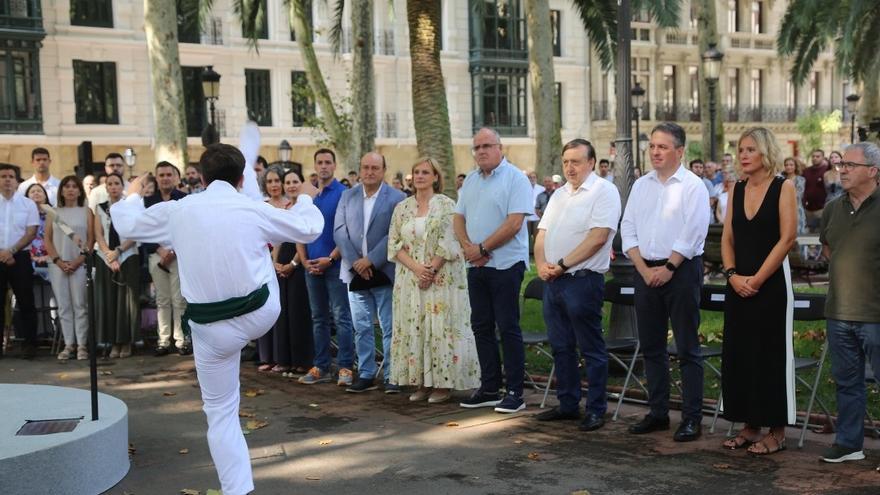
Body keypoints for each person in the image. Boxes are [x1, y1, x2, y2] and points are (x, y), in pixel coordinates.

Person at [111, 135, 323, 495]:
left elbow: (129, 226)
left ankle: (237, 489)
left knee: (221, 412)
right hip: (260, 313)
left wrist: (132, 192)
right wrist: (305, 196)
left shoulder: (179, 210)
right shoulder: (251, 209)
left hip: (209, 328)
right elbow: (309, 228)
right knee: (262, 255)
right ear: (241, 179)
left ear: (202, 178)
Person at [621, 122, 710, 442]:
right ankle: (657, 412)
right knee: (651, 346)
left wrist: (669, 268)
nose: (655, 152)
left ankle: (691, 418)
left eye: (662, 147)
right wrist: (644, 269)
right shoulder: (641, 185)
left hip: (681, 272)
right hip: (645, 272)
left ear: (680, 151)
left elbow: (694, 231)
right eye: (652, 146)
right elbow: (628, 228)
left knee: (687, 347)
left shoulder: (693, 186)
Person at [533, 139, 621, 432]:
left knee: (591, 348)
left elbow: (597, 238)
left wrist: (561, 265)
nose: (570, 167)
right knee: (561, 347)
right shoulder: (558, 195)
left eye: (577, 161)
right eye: (566, 162)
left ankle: (596, 409)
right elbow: (542, 233)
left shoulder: (604, 191)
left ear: (592, 163)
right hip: (553, 281)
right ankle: (568, 404)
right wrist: (541, 265)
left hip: (582, 281)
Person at [719, 127, 797, 455]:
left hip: (771, 286)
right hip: (738, 285)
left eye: (750, 149)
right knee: (740, 355)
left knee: (769, 355)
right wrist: (733, 275)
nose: (743, 155)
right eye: (740, 149)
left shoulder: (784, 187)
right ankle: (749, 426)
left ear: (765, 152)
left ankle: (776, 431)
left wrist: (758, 279)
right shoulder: (736, 188)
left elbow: (788, 238)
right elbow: (727, 238)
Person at [388, 157, 480, 402]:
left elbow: (450, 241)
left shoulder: (446, 205)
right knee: (415, 327)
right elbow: (394, 244)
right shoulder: (402, 207)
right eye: (416, 172)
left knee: (440, 329)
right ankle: (421, 383)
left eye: (425, 172)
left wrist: (430, 270)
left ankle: (442, 384)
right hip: (410, 278)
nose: (419, 176)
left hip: (441, 279)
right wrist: (418, 269)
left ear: (436, 177)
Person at [454, 127, 533, 414]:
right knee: (481, 326)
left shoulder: (516, 179)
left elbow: (514, 224)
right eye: (477, 147)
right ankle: (489, 387)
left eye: (487, 145)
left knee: (507, 327)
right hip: (476, 265)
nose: (482, 151)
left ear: (501, 148)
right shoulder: (471, 181)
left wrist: (483, 248)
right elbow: (458, 218)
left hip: (505, 265)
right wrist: (468, 248)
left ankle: (515, 392)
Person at [818, 142, 880, 465]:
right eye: (841, 164)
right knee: (847, 383)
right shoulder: (832, 208)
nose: (842, 169)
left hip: (875, 314)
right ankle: (849, 444)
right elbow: (829, 249)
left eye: (851, 165)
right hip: (839, 312)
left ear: (873, 172)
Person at [334, 152, 405, 393]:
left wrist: (370, 261)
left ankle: (392, 374)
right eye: (365, 167)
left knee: (389, 326)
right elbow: (340, 232)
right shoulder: (347, 196)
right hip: (355, 274)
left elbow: (395, 234)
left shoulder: (397, 198)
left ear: (383, 170)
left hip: (384, 271)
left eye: (375, 167)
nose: (369, 172)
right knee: (361, 325)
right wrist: (356, 263)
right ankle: (365, 372)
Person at [297, 148, 356, 386]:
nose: (323, 166)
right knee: (318, 317)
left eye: (328, 162)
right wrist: (303, 261)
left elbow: (348, 232)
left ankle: (345, 367)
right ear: (315, 165)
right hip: (311, 266)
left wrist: (330, 259)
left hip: (335, 265)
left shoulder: (344, 194)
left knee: (342, 317)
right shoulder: (310, 197)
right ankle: (321, 367)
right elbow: (300, 229)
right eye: (319, 162)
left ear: (334, 166)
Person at [44, 175, 95, 361]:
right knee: (64, 306)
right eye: (67, 186)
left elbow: (91, 238)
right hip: (58, 264)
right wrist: (57, 260)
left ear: (80, 190)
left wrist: (80, 259)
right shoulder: (53, 212)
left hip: (79, 264)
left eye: (74, 186)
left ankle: (82, 345)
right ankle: (68, 344)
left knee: (80, 305)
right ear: (62, 190)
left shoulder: (86, 212)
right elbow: (47, 239)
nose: (71, 189)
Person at [144, 161, 189, 356]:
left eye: (169, 174)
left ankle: (181, 340)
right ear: (156, 178)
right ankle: (163, 340)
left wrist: (174, 251)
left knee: (179, 299)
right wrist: (159, 250)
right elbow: (144, 230)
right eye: (161, 175)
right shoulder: (148, 201)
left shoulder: (184, 200)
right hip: (157, 255)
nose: (165, 178)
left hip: (179, 255)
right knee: (162, 300)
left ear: (176, 177)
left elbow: (189, 228)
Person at [94, 173, 140, 359]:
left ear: (123, 186)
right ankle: (113, 341)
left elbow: (136, 232)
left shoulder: (130, 206)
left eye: (116, 183)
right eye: (110, 184)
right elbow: (98, 234)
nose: (113, 187)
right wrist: (109, 255)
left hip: (127, 254)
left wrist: (119, 251)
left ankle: (127, 341)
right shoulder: (100, 208)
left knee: (127, 302)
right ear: (106, 187)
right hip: (105, 257)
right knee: (110, 301)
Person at [276, 170, 314, 375]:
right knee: (285, 313)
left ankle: (303, 360)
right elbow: (278, 239)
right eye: (287, 182)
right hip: (283, 262)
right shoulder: (284, 208)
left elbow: (304, 236)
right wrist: (275, 263)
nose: (291, 185)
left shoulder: (306, 208)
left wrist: (293, 263)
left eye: (295, 181)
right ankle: (286, 359)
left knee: (299, 313)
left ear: (302, 184)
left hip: (299, 261)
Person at [0, 164, 39, 358]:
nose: (7, 180)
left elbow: (31, 232)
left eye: (11, 177)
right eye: (3, 176)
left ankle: (30, 345)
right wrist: (3, 253)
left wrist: (11, 252)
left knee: (26, 302)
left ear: (17, 181)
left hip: (20, 257)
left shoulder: (27, 204)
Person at [257, 165, 292, 372]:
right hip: (264, 262)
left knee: (285, 310)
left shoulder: (291, 205)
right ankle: (267, 356)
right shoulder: (261, 207)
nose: (273, 185)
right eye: (269, 182)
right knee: (265, 308)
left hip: (288, 260)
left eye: (277, 181)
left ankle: (284, 357)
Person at [24, 183, 52, 279]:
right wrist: (31, 256)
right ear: (27, 197)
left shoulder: (54, 213)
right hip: (27, 258)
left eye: (39, 191)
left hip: (53, 258)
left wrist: (50, 256)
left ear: (45, 195)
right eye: (32, 192)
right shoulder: (22, 215)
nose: (36, 193)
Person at [802, 148, 828, 232]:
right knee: (809, 234)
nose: (815, 158)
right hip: (807, 209)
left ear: (823, 158)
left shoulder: (827, 170)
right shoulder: (806, 171)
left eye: (818, 156)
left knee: (820, 234)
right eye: (813, 156)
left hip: (822, 209)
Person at [782, 157, 807, 234]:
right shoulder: (780, 179)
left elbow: (797, 195)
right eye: (786, 165)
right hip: (782, 211)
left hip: (797, 210)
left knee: (798, 234)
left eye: (791, 165)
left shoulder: (801, 179)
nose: (788, 167)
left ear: (795, 166)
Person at [525, 170, 545, 248]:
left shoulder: (542, 189)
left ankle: (535, 252)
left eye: (534, 177)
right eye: (530, 177)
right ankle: (528, 252)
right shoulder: (523, 188)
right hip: (526, 217)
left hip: (537, 216)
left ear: (536, 178)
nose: (532, 179)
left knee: (537, 236)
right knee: (527, 236)